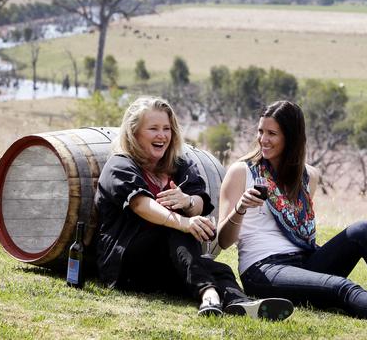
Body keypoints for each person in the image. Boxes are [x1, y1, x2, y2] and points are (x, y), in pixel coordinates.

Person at [217, 100, 367, 330]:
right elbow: (224, 240)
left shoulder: (307, 177)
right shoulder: (241, 172)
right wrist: (240, 208)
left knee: (362, 231)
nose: (263, 139)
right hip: (264, 269)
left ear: (291, 138)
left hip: (305, 261)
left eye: (272, 133)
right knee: (341, 287)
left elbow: (300, 232)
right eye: (261, 131)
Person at [94, 96, 293, 320]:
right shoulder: (120, 165)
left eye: (167, 128)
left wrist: (187, 202)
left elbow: (199, 202)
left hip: (163, 264)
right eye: (153, 129)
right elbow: (142, 205)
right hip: (124, 265)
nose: (162, 135)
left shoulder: (178, 165)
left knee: (218, 268)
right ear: (134, 132)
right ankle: (208, 293)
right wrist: (185, 222)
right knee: (174, 227)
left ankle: (241, 304)